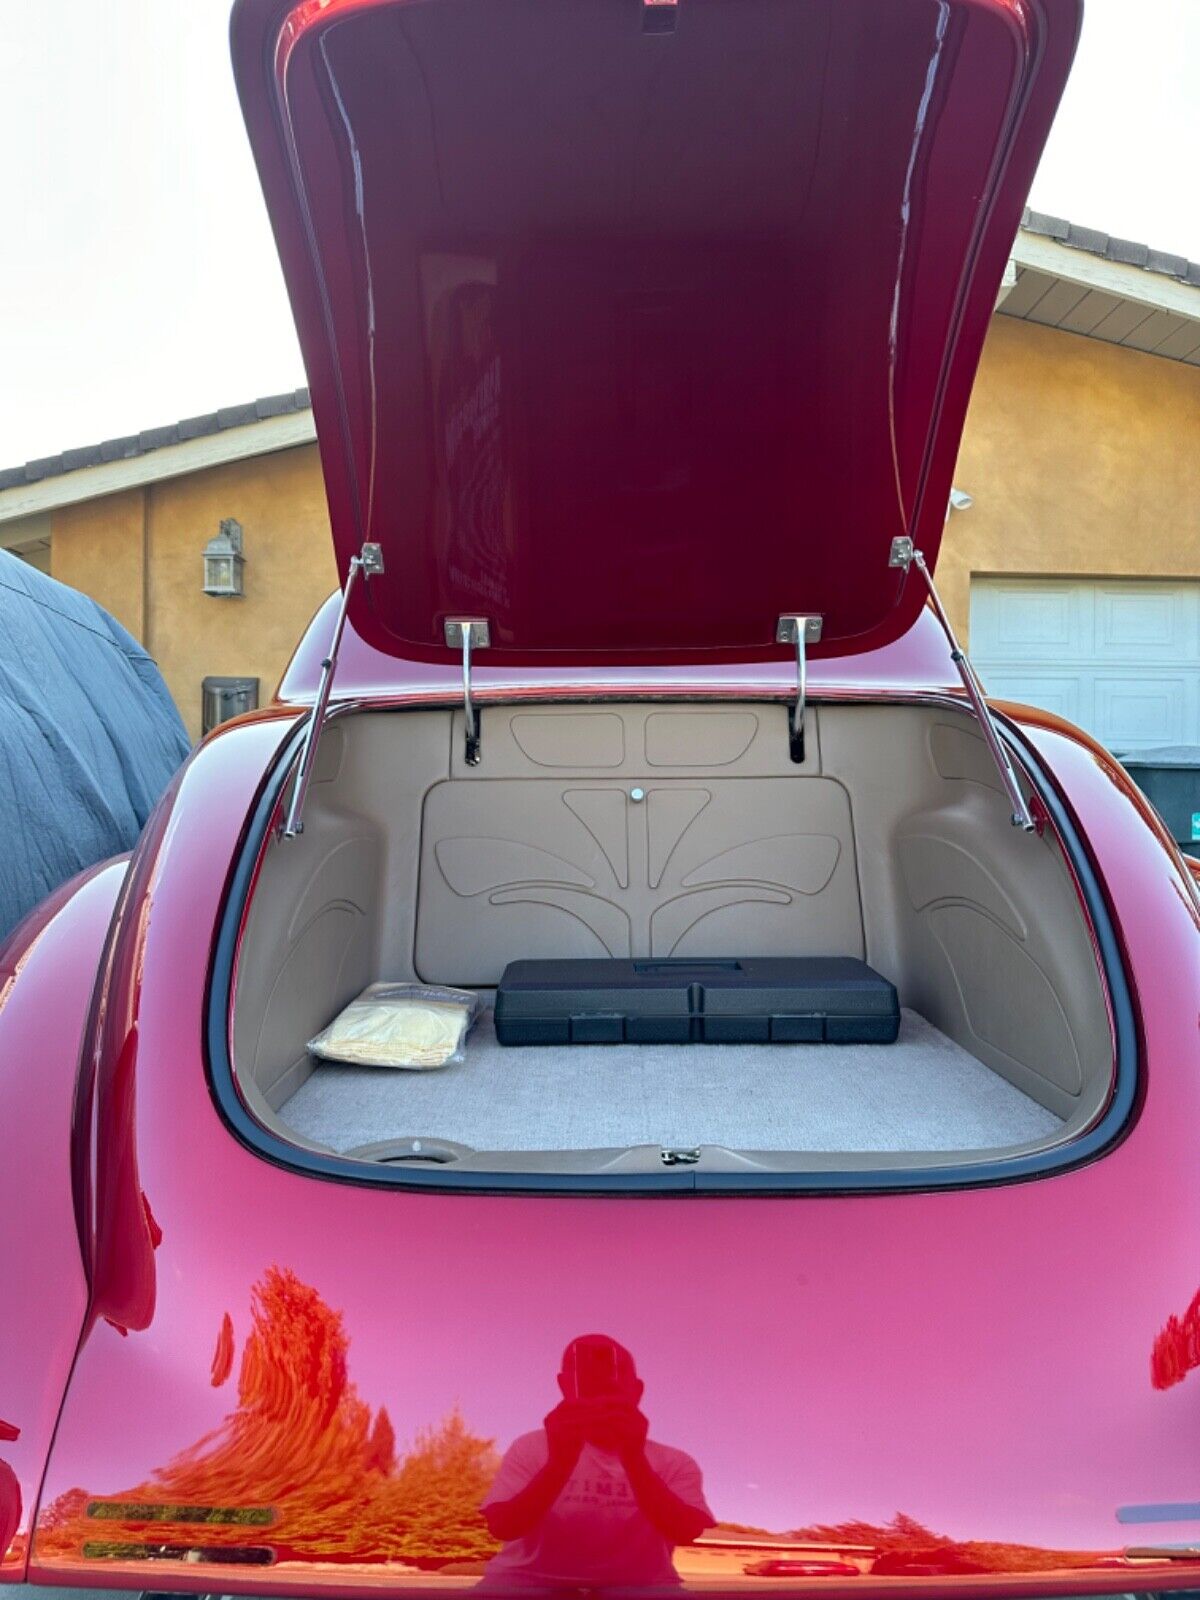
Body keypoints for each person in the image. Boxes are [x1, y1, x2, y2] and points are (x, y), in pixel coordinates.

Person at [480, 1334, 713, 1592]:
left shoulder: (675, 1462)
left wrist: (633, 1457)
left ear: (637, 1391)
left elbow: (685, 1531)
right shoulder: (530, 1447)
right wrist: (559, 1463)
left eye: (612, 1372)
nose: (600, 1382)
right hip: (526, 1581)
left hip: (642, 1585)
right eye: (585, 1374)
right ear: (564, 1386)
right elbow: (503, 1527)